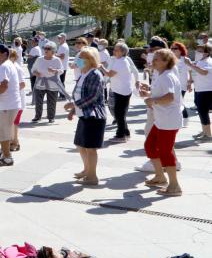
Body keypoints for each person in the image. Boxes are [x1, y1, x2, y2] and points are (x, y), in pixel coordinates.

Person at [139, 49, 183, 196]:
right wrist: (149, 92)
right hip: (162, 120)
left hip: (168, 121)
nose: (153, 61)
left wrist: (152, 100)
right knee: (150, 145)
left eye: (157, 59)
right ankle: (160, 176)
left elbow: (170, 97)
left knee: (166, 151)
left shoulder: (167, 76)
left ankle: (174, 186)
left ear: (166, 61)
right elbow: (163, 93)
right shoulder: (161, 75)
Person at [64, 47, 107, 186]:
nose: (79, 60)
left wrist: (73, 105)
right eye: (79, 57)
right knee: (81, 145)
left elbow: (93, 96)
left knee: (90, 147)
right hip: (84, 114)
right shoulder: (83, 73)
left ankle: (92, 176)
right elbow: (79, 93)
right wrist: (73, 110)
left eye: (82, 58)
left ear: (91, 60)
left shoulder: (95, 74)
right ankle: (87, 170)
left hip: (94, 115)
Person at [0, 45, 21, 166]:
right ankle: (3, 151)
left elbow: (4, 85)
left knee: (3, 131)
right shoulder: (5, 66)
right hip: (6, 105)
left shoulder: (4, 66)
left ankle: (7, 158)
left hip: (8, 106)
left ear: (5, 54)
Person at [103, 41, 140, 141]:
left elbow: (109, 74)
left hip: (121, 91)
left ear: (123, 52)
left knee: (119, 113)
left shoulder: (121, 61)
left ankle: (120, 135)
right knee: (120, 113)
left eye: (116, 50)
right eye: (114, 49)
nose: (114, 51)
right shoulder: (120, 60)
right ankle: (126, 132)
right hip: (121, 90)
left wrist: (101, 67)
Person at [31, 42, 64, 123]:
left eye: (48, 49)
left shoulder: (57, 60)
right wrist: (35, 73)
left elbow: (61, 71)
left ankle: (51, 117)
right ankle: (38, 116)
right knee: (38, 101)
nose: (46, 50)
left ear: (53, 51)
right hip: (40, 83)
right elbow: (33, 70)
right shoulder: (39, 59)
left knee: (51, 102)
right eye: (45, 48)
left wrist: (54, 70)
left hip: (52, 84)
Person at [185, 43, 212, 141]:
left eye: (200, 51)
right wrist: (190, 81)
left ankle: (208, 134)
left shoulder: (208, 62)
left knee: (203, 112)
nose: (197, 52)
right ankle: (205, 131)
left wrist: (190, 64)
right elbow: (194, 72)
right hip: (199, 90)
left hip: (207, 91)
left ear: (207, 53)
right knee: (202, 112)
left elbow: (204, 72)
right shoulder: (200, 62)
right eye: (197, 50)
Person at [171, 42, 191, 127]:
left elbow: (190, 71)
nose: (173, 50)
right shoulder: (170, 59)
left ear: (181, 50)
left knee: (180, 102)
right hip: (172, 85)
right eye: (172, 48)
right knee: (176, 102)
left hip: (182, 85)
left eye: (175, 48)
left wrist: (190, 82)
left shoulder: (185, 59)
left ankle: (185, 118)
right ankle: (178, 119)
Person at [55, 33, 69, 97]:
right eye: (58, 37)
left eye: (60, 38)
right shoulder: (62, 45)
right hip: (61, 66)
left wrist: (53, 54)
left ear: (64, 38)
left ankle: (62, 95)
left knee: (60, 82)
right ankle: (62, 95)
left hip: (62, 67)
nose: (59, 39)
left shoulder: (63, 46)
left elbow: (62, 57)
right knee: (60, 82)